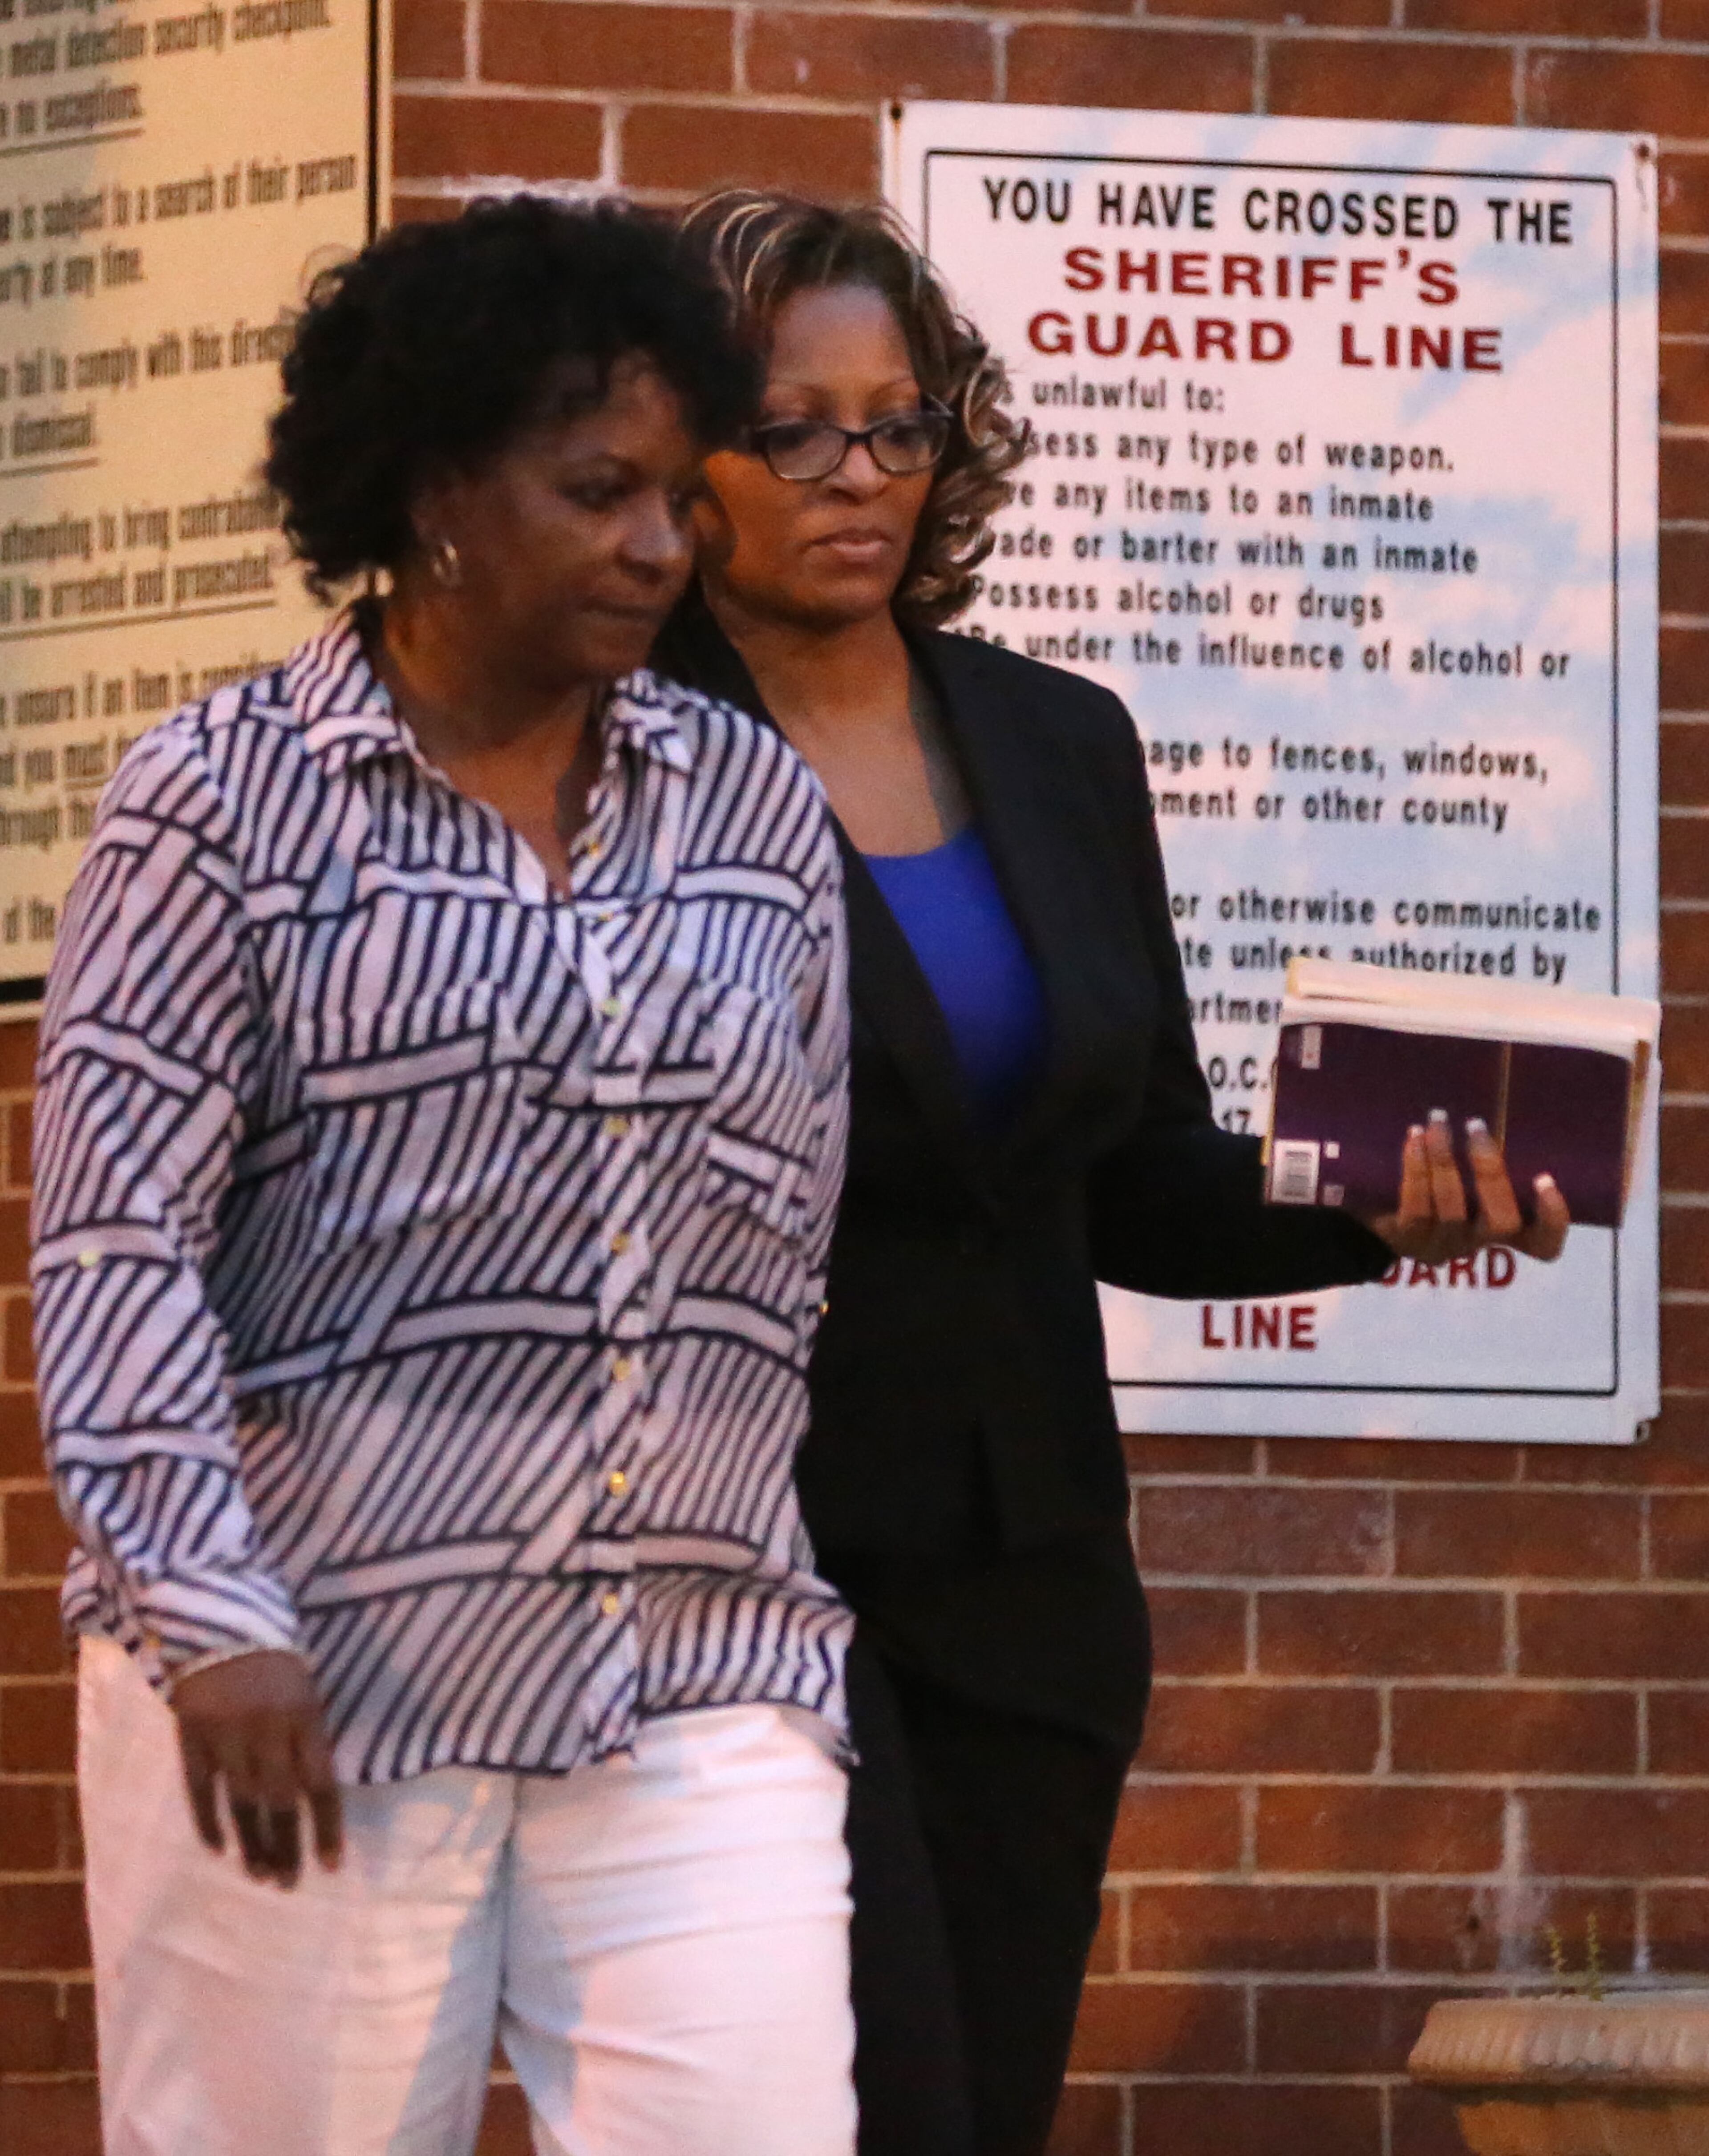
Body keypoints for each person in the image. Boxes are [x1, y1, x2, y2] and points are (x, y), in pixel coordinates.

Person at [653, 189, 1571, 2156]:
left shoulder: (1059, 743)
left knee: (978, 2115)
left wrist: (1375, 1208)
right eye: (796, 427)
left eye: (902, 424)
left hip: (1034, 1580)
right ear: (683, 460)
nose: (862, 475)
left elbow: (1131, 1180)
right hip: (751, 1573)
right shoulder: (623, 751)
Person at [33, 196, 857, 2156]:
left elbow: (785, 1236)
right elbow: (114, 1247)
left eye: (680, 495)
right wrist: (212, 1618)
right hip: (308, 1680)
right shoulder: (215, 801)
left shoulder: (751, 805)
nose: (663, 544)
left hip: (693, 1666)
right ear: (435, 491)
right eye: (600, 490)